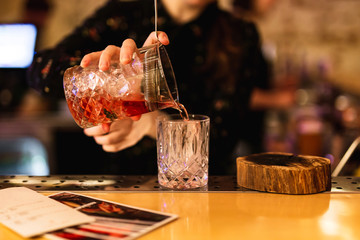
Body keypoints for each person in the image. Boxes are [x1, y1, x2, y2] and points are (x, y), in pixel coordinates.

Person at [27, 0, 270, 175]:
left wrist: (150, 122)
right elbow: (40, 69)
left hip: (207, 190)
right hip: (122, 188)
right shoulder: (123, 13)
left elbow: (221, 142)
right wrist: (94, 75)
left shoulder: (240, 34)